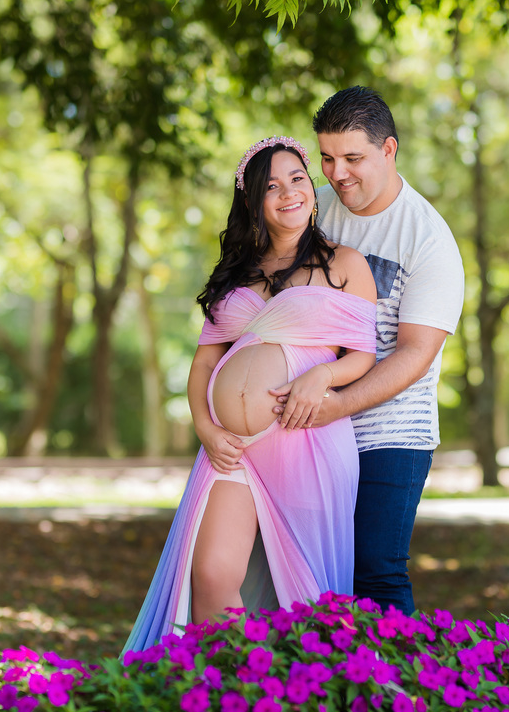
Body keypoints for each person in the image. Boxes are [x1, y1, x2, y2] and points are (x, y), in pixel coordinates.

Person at [122, 136, 377, 652]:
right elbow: (204, 365)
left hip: (304, 439)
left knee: (308, 598)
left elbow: (363, 357)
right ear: (254, 202)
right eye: (272, 186)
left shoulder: (345, 263)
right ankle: (234, 691)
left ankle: (300, 692)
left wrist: (322, 377)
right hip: (230, 452)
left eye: (298, 178)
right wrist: (206, 427)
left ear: (313, 186)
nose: (288, 193)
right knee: (212, 576)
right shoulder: (236, 273)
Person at [270, 86, 465, 616]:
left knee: (375, 570)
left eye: (353, 158)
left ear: (389, 150)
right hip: (309, 424)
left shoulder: (427, 240)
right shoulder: (316, 211)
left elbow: (413, 355)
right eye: (328, 159)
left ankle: (403, 693)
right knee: (311, 572)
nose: (337, 173)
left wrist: (335, 401)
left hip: (390, 432)